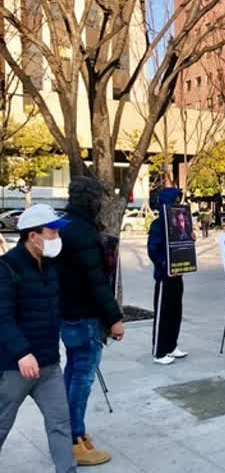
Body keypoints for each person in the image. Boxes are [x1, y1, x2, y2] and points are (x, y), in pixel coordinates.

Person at [0, 205, 76, 473]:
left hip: (49, 364)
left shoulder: (51, 265)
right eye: (52, 232)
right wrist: (21, 352)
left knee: (60, 422)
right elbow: (2, 316)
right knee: (2, 424)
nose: (57, 237)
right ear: (34, 237)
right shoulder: (7, 267)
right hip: (15, 367)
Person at [58, 176, 123, 466]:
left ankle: (74, 433)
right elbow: (97, 282)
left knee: (72, 373)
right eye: (98, 200)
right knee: (81, 378)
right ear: (91, 200)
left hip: (67, 315)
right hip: (84, 317)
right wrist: (114, 318)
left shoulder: (62, 227)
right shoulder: (83, 233)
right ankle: (73, 441)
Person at [148, 187, 191, 365]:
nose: (178, 204)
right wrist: (166, 266)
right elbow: (152, 250)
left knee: (175, 312)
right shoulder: (158, 224)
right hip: (165, 276)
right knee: (163, 314)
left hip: (177, 274)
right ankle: (159, 351)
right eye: (175, 201)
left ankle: (171, 346)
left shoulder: (179, 223)